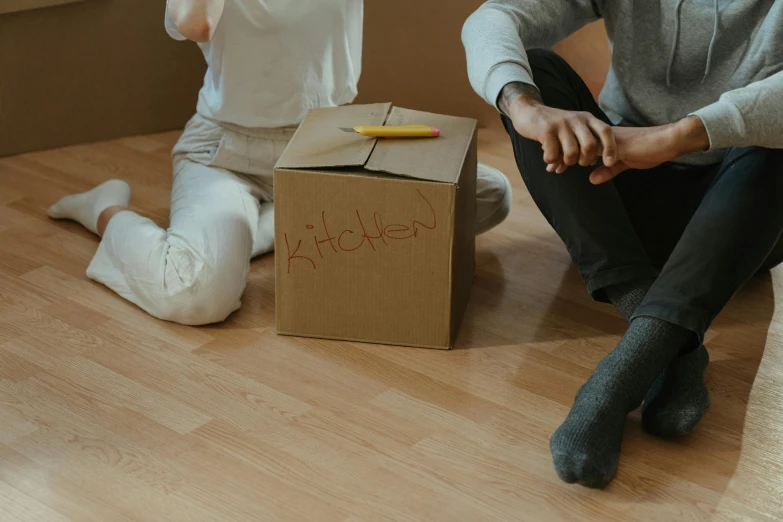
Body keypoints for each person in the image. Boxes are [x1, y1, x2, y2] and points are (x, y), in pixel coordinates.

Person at [463, 0, 783, 488]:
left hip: (744, 210)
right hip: (621, 177)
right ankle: (666, 341)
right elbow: (494, 17)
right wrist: (523, 105)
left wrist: (677, 136)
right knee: (533, 68)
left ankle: (620, 378)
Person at [47, 0, 512, 326]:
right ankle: (108, 212)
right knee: (198, 295)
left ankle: (267, 228)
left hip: (329, 142)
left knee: (485, 195)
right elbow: (195, 21)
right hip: (228, 150)